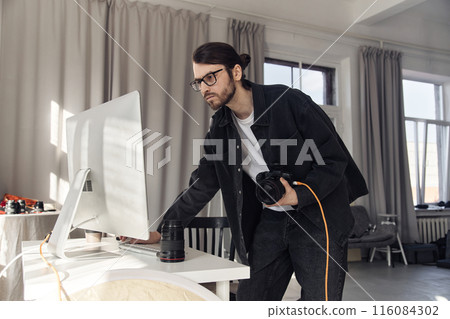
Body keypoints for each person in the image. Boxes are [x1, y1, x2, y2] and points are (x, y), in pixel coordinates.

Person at [123, 42, 368, 301]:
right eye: (199, 82)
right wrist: (164, 229)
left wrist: (296, 195)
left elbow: (333, 160)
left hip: (319, 218)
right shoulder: (220, 127)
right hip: (272, 219)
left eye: (210, 78)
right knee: (249, 301)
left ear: (236, 73)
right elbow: (203, 183)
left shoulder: (288, 101)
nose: (205, 88)